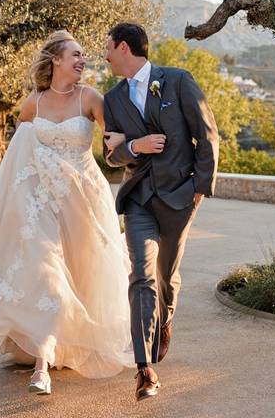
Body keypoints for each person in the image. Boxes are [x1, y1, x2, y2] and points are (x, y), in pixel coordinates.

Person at [0, 30, 132, 396]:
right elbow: (18, 158)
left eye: (83, 55)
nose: (83, 60)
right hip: (41, 203)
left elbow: (115, 146)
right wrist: (15, 209)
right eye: (76, 55)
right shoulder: (33, 103)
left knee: (81, 273)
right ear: (56, 61)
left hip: (84, 200)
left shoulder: (92, 99)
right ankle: (41, 367)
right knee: (49, 275)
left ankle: (59, 344)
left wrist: (130, 147)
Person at [102, 22, 220, 402]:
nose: (104, 54)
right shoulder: (112, 100)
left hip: (178, 197)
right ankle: (144, 369)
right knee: (142, 275)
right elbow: (111, 153)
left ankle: (165, 321)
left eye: (108, 47)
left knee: (167, 278)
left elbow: (207, 135)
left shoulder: (178, 81)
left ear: (123, 47)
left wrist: (199, 190)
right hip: (138, 199)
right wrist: (136, 146)